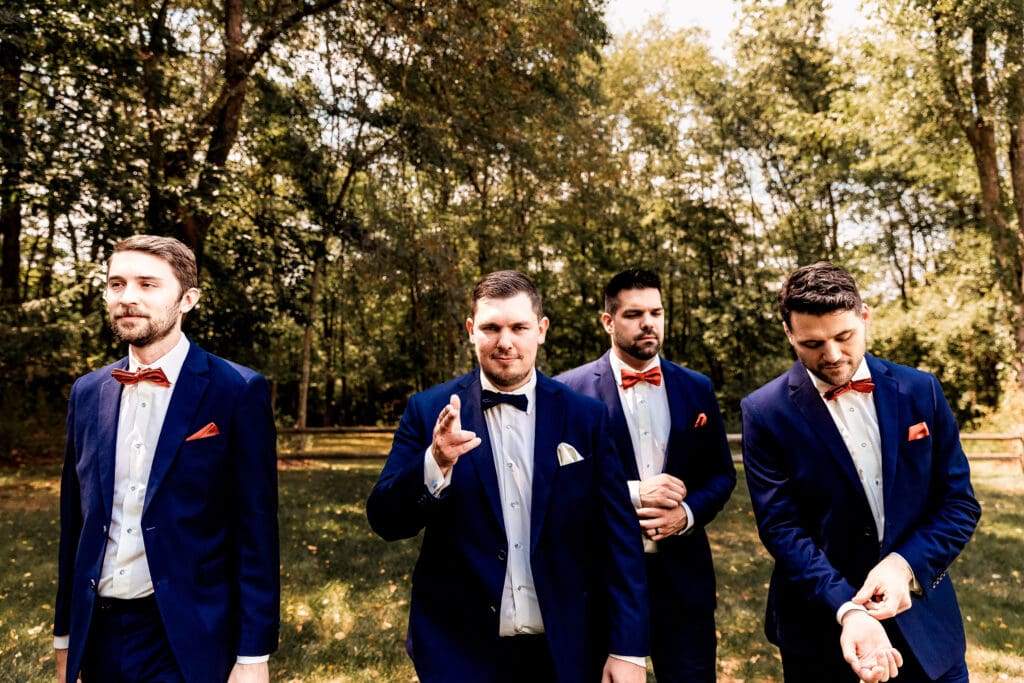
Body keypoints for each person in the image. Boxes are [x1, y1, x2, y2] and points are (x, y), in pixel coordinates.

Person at [366, 270, 649, 683]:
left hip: (567, 647)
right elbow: (385, 520)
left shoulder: (585, 416)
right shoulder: (427, 410)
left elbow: (620, 539)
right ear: (470, 331)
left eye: (519, 327)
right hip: (458, 652)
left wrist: (628, 649)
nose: (505, 341)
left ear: (541, 330)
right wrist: (436, 462)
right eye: (491, 327)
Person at [741, 261, 981, 683]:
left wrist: (904, 565)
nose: (831, 356)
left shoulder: (920, 389)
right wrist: (847, 609)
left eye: (844, 336)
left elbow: (958, 503)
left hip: (927, 628)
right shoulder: (763, 412)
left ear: (865, 316)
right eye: (813, 343)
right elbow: (782, 529)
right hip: (821, 631)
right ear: (788, 334)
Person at [54, 235, 280, 683]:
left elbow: (256, 529)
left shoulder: (237, 390)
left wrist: (253, 655)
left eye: (148, 284)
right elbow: (74, 526)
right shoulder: (87, 393)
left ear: (187, 300)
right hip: (97, 633)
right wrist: (66, 639)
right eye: (116, 285)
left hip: (186, 632)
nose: (128, 298)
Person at [556, 268, 736, 682]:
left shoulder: (696, 387)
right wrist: (634, 493)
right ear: (608, 321)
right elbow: (557, 487)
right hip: (601, 581)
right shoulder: (569, 392)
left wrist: (686, 515)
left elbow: (722, 476)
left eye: (656, 312)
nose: (648, 323)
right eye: (634, 314)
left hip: (684, 583)